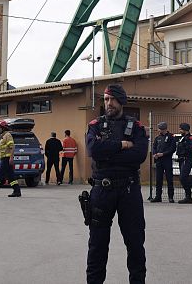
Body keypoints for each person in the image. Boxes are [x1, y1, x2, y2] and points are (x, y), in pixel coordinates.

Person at [85, 84, 148, 284]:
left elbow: (138, 156)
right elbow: (94, 150)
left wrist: (108, 154)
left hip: (129, 190)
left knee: (135, 243)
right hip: (102, 191)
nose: (108, 103)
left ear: (121, 101)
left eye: (112, 99)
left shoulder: (136, 127)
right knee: (97, 245)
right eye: (105, 99)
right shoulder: (95, 125)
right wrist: (121, 145)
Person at [149, 122, 176, 203]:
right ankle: (158, 197)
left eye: (159, 129)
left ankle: (170, 197)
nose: (158, 130)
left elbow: (172, 149)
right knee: (158, 179)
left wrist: (163, 154)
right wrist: (154, 154)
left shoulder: (171, 137)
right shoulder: (158, 138)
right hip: (159, 161)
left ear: (163, 129)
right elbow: (154, 147)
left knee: (169, 179)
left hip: (167, 160)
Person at [175, 122, 192, 204]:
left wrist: (183, 149)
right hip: (182, 160)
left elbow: (190, 149)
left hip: (187, 159)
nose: (179, 130)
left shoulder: (191, 138)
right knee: (183, 179)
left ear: (184, 129)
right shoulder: (182, 138)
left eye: (180, 129)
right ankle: (188, 197)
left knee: (183, 178)